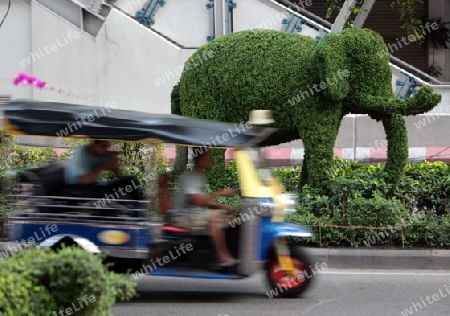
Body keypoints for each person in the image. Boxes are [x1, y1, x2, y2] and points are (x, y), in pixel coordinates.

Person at [171, 148, 239, 267]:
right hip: (183, 218)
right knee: (215, 217)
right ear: (199, 160)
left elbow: (203, 202)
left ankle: (228, 254)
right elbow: (198, 201)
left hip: (194, 215)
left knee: (229, 219)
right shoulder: (189, 177)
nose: (211, 160)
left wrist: (223, 207)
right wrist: (221, 193)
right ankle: (223, 258)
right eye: (207, 157)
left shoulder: (199, 177)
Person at [64, 140, 144, 200]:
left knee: (130, 180)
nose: (106, 149)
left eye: (108, 146)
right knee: (118, 195)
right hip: (78, 189)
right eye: (103, 146)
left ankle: (139, 208)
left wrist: (115, 164)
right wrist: (103, 166)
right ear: (94, 145)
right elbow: (85, 180)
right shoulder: (83, 153)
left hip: (93, 187)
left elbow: (120, 177)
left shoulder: (102, 153)